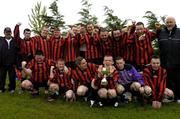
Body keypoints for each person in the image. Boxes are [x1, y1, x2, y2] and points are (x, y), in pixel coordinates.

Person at [156, 16, 180, 103]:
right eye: (167, 22)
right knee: (167, 81)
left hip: (177, 62)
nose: (169, 24)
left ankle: (178, 97)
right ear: (165, 23)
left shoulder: (179, 32)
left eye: (171, 22)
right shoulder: (161, 33)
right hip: (165, 62)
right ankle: (169, 97)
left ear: (174, 22)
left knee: (178, 81)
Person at [0, 27, 21, 93]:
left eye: (9, 32)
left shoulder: (15, 40)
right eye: (6, 32)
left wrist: (17, 61)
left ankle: (12, 88)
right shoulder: (1, 40)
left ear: (11, 32)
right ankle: (1, 88)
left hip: (12, 63)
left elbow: (18, 51)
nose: (8, 33)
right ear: (4, 33)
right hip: (2, 62)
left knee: (12, 77)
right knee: (1, 76)